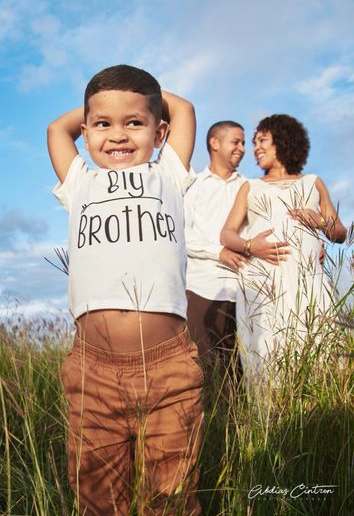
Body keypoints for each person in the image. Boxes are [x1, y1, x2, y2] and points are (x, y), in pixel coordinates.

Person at [48, 64, 203, 515]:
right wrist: (107, 100)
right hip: (92, 370)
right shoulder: (80, 183)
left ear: (160, 133)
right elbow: (56, 128)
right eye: (102, 125)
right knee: (97, 499)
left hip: (168, 366)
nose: (117, 135)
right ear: (86, 129)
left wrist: (145, 97)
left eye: (134, 123)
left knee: (171, 498)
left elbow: (186, 108)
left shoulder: (168, 174)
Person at [220, 114, 347, 387]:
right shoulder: (250, 187)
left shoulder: (312, 182)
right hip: (264, 286)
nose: (255, 148)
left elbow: (340, 233)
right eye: (254, 142)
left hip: (308, 284)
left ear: (283, 141)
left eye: (261, 140)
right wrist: (252, 246)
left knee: (320, 352)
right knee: (267, 359)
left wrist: (321, 221)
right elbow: (227, 234)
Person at [184, 121, 248, 371]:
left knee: (242, 374)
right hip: (202, 290)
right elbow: (182, 234)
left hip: (244, 291)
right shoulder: (193, 186)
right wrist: (219, 251)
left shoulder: (250, 188)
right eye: (236, 142)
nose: (242, 148)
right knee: (204, 372)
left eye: (243, 143)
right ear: (215, 143)